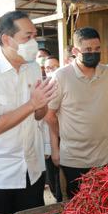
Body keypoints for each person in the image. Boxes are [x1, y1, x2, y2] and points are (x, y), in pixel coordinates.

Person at [0, 10, 57, 214]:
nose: (34, 42)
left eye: (35, 36)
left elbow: (37, 115)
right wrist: (32, 103)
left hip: (32, 168)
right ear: (7, 39)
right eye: (28, 37)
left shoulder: (33, 67)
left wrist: (42, 103)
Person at [46, 27, 108, 198]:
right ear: (75, 50)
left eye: (97, 49)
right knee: (79, 207)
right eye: (87, 50)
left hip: (106, 156)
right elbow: (50, 116)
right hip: (74, 158)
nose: (93, 53)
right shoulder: (61, 76)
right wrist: (58, 145)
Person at [42, 55, 62, 202]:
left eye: (54, 67)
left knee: (62, 178)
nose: (51, 70)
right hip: (48, 139)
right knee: (52, 176)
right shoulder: (41, 88)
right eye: (48, 68)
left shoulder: (63, 84)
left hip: (63, 137)